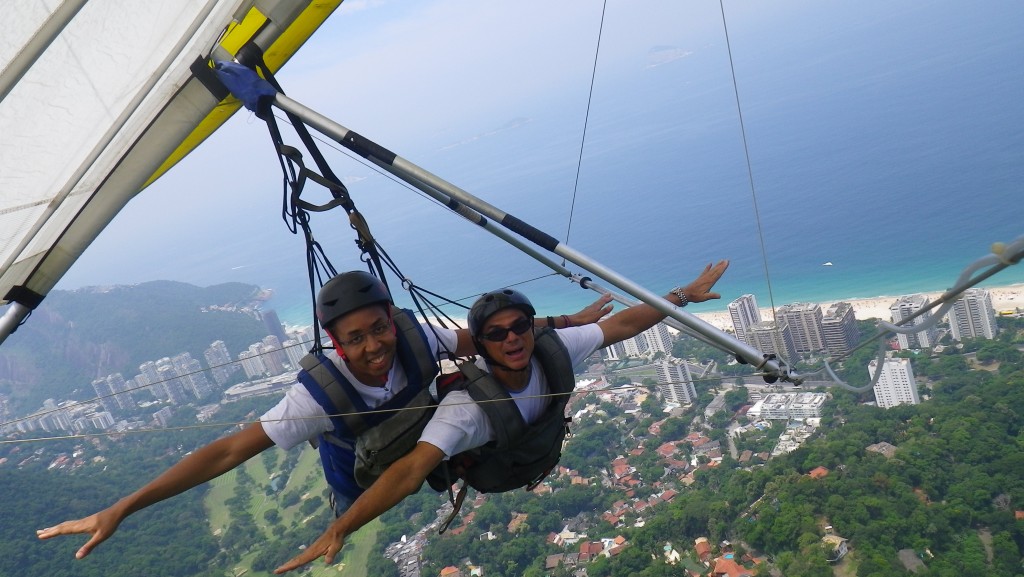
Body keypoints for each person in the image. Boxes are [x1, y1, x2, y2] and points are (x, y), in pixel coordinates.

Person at [36, 270, 612, 559]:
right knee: (399, 467)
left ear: (393, 319)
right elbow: (228, 452)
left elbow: (488, 337)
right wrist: (124, 506)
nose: (373, 346)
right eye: (355, 339)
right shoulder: (317, 397)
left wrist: (564, 325)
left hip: (416, 453)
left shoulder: (417, 339)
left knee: (436, 449)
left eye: (379, 329)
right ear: (335, 344)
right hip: (359, 473)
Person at [273, 260, 729, 574]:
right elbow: (410, 472)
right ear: (481, 345)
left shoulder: (552, 348)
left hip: (535, 451)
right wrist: (342, 526)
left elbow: (622, 325)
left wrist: (682, 295)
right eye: (495, 334)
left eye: (519, 327)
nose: (511, 339)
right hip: (497, 466)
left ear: (532, 328)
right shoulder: (466, 410)